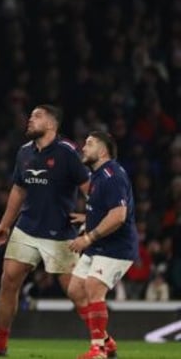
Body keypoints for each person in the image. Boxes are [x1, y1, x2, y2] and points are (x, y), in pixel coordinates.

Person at [0, 105, 90, 357]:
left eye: (36, 116)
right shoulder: (24, 152)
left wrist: (90, 217)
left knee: (76, 293)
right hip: (26, 228)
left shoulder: (68, 152)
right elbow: (18, 190)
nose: (30, 119)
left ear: (51, 124)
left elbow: (90, 187)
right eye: (30, 116)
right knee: (9, 281)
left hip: (60, 233)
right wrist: (5, 224)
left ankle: (104, 342)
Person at [67, 131, 135, 359]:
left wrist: (88, 237)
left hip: (117, 247)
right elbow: (105, 210)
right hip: (100, 246)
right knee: (75, 290)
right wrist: (88, 219)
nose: (83, 148)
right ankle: (106, 341)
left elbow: (118, 215)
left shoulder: (112, 175)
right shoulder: (95, 176)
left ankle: (98, 350)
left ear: (103, 151)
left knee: (94, 287)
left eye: (89, 144)